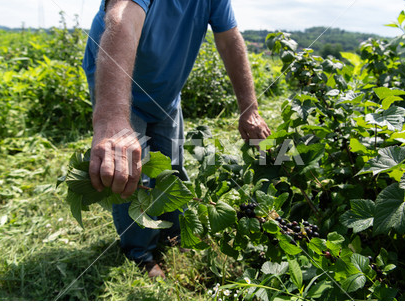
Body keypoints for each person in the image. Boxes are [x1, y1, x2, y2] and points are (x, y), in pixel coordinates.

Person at [82, 0, 271, 278]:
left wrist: (249, 108)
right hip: (119, 88)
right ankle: (140, 253)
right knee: (136, 175)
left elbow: (230, 41)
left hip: (165, 91)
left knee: (172, 166)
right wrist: (111, 116)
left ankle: (174, 236)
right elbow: (122, 20)